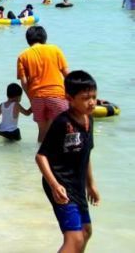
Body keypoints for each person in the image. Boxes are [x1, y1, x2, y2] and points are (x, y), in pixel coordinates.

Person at [35, 71, 99, 253]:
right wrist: (54, 185)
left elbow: (86, 155)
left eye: (94, 96)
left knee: (86, 232)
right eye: (86, 98)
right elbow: (41, 157)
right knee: (74, 238)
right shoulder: (62, 122)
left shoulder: (89, 120)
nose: (92, 102)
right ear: (69, 98)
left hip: (77, 185)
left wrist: (91, 184)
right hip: (59, 184)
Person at [17, 25, 69, 142]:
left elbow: (24, 82)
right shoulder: (55, 49)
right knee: (60, 131)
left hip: (37, 98)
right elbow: (66, 74)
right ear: (44, 38)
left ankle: (40, 157)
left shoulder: (22, 56)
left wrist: (31, 98)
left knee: (42, 131)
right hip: (57, 95)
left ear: (28, 40)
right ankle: (59, 158)